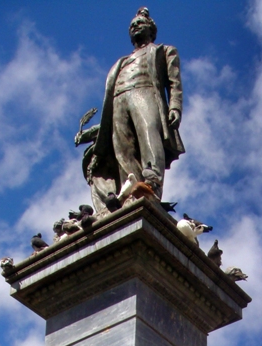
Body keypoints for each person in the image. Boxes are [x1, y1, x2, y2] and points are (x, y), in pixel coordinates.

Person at [78, 6, 184, 210]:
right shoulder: (121, 62)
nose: (135, 27)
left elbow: (174, 83)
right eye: (132, 25)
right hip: (119, 99)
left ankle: (151, 184)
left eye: (140, 24)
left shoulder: (164, 51)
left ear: (151, 30)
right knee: (123, 148)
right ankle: (129, 191)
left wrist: (175, 107)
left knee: (148, 134)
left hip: (145, 93)